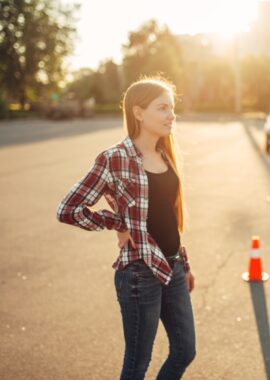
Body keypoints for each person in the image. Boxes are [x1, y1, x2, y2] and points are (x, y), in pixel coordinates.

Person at [57, 77, 196, 380]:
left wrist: (184, 264)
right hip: (138, 273)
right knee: (137, 364)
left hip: (172, 268)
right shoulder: (114, 158)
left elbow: (169, 216)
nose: (171, 115)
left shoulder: (166, 153)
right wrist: (117, 222)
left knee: (185, 350)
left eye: (172, 108)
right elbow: (68, 209)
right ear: (138, 112)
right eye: (162, 108)